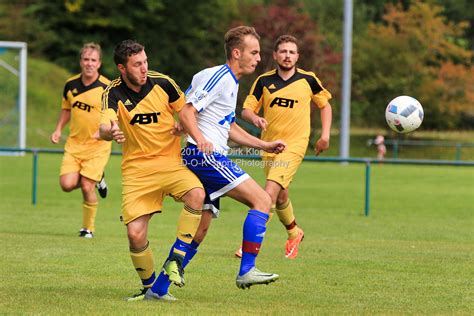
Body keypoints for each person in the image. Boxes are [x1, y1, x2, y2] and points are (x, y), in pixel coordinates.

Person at [177, 25, 286, 290]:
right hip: (204, 155)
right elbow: (186, 112)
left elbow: (229, 127)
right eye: (254, 53)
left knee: (200, 229)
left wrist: (264, 144)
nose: (259, 59)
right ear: (237, 53)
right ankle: (247, 269)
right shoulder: (222, 77)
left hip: (203, 154)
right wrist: (200, 139)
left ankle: (161, 286)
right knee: (262, 200)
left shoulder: (227, 80)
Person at [99, 39, 205, 301]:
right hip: (137, 171)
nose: (144, 68)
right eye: (137, 64)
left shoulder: (163, 83)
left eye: (145, 61)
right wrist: (110, 131)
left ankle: (177, 259)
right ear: (122, 69)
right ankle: (150, 289)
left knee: (197, 195)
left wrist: (185, 126)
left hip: (170, 163)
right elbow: (103, 126)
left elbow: (188, 112)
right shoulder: (111, 93)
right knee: (134, 234)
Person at [237, 34, 333, 259]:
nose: (287, 56)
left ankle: (249, 244)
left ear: (297, 56)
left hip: (295, 145)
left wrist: (325, 136)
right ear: (275, 55)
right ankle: (294, 232)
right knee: (280, 196)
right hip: (270, 145)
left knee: (268, 193)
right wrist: (255, 119)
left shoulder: (308, 80)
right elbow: (246, 110)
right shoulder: (263, 81)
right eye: (283, 51)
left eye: (292, 52)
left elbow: (325, 106)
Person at [50, 42, 111, 238]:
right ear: (80, 62)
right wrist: (58, 129)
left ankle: (88, 229)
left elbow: (114, 114)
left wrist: (103, 131)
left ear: (99, 63)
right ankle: (98, 178)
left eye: (93, 60)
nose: (89, 63)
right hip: (74, 144)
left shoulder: (106, 87)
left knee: (86, 186)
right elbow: (66, 109)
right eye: (86, 59)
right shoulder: (70, 85)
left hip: (98, 146)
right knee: (66, 185)